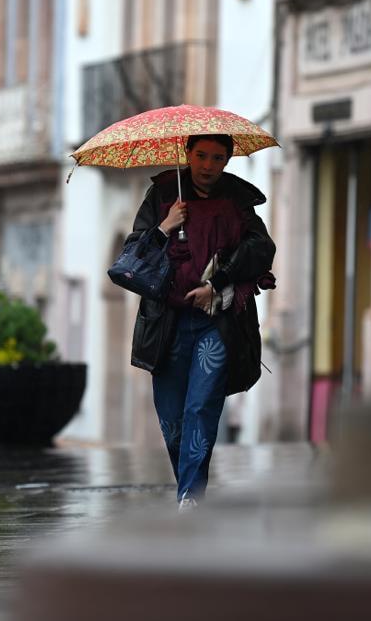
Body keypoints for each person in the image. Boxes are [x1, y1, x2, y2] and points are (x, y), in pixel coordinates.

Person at [123, 134, 276, 510]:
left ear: (227, 160)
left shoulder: (238, 200)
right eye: (202, 156)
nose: (209, 166)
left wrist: (218, 283)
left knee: (201, 408)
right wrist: (165, 226)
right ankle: (190, 490)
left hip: (217, 323)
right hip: (167, 325)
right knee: (173, 421)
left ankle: (190, 499)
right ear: (188, 154)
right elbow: (131, 256)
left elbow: (261, 249)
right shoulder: (161, 195)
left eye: (218, 158)